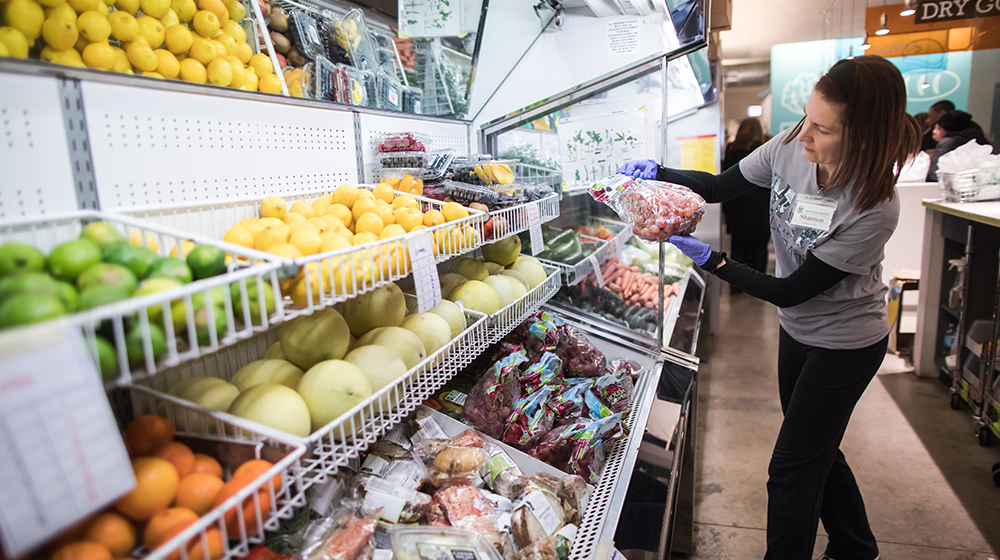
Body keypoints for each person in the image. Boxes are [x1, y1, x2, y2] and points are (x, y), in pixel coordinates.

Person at [619, 55, 920, 560]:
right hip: (796, 331)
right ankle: (855, 547)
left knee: (789, 470)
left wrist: (713, 261)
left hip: (845, 343)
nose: (802, 136)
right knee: (816, 451)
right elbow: (717, 188)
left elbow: (792, 289)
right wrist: (660, 173)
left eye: (821, 130)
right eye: (805, 117)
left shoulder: (874, 206)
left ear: (862, 138)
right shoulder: (787, 148)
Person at [722, 118, 770, 283]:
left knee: (738, 247)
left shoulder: (732, 149)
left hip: (737, 206)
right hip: (762, 207)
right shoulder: (765, 149)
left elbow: (724, 179)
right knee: (760, 247)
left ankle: (736, 285)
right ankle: (759, 284)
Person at [926, 110, 990, 181]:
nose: (934, 131)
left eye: (939, 128)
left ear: (948, 131)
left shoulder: (946, 144)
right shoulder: (980, 141)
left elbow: (934, 175)